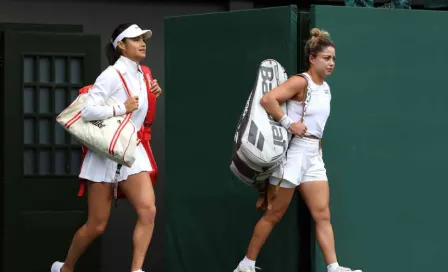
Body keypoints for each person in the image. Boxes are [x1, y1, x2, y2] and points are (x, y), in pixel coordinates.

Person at [233, 28, 362, 272]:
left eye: (334, 58)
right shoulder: (300, 81)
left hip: (313, 155)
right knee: (274, 214)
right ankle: (246, 265)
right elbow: (268, 99)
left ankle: (333, 268)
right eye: (326, 58)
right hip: (293, 153)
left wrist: (317, 154)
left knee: (322, 214)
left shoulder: (326, 88)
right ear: (312, 58)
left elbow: (318, 129)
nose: (331, 63)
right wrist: (288, 123)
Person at [51, 23, 162, 272]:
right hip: (105, 154)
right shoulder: (111, 74)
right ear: (121, 45)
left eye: (143, 38)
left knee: (148, 211)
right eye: (135, 39)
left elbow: (141, 114)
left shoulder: (144, 73)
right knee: (97, 225)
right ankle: (65, 268)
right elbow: (88, 111)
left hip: (132, 151)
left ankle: (136, 270)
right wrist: (122, 107)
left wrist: (153, 94)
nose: (142, 42)